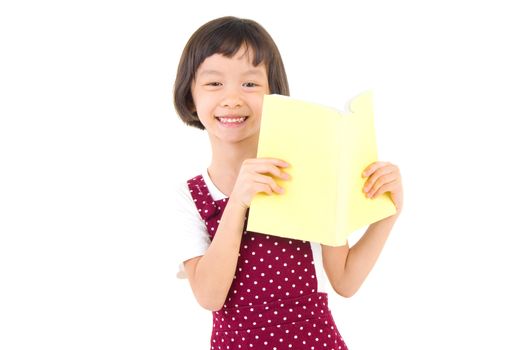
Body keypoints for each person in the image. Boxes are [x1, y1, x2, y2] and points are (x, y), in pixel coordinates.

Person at [173, 16, 403, 349]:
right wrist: (238, 201)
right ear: (191, 95)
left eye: (250, 84)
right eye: (214, 83)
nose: (233, 97)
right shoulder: (190, 196)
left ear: (275, 96)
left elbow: (346, 279)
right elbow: (210, 296)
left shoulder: (306, 170)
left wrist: (388, 212)